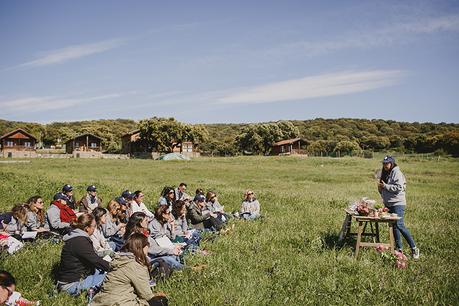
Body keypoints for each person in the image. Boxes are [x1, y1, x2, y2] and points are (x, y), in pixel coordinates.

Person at [92, 233, 168, 306]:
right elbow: (146, 295)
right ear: (143, 247)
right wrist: (157, 296)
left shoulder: (119, 260)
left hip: (101, 301)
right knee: (161, 301)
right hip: (120, 303)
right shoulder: (136, 265)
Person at [56, 213, 110, 296]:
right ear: (87, 228)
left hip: (74, 279)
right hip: (71, 285)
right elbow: (96, 261)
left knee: (102, 271)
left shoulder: (76, 237)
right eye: (94, 226)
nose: (95, 229)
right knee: (112, 277)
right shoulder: (80, 241)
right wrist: (114, 267)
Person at [378, 155, 420, 259]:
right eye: (383, 163)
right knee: (394, 227)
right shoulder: (385, 173)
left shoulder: (397, 172)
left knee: (399, 225)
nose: (385, 165)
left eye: (387, 163)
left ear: (391, 163)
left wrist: (385, 186)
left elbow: (399, 187)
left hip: (398, 204)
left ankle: (414, 248)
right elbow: (384, 188)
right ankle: (399, 249)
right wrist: (381, 189)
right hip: (389, 204)